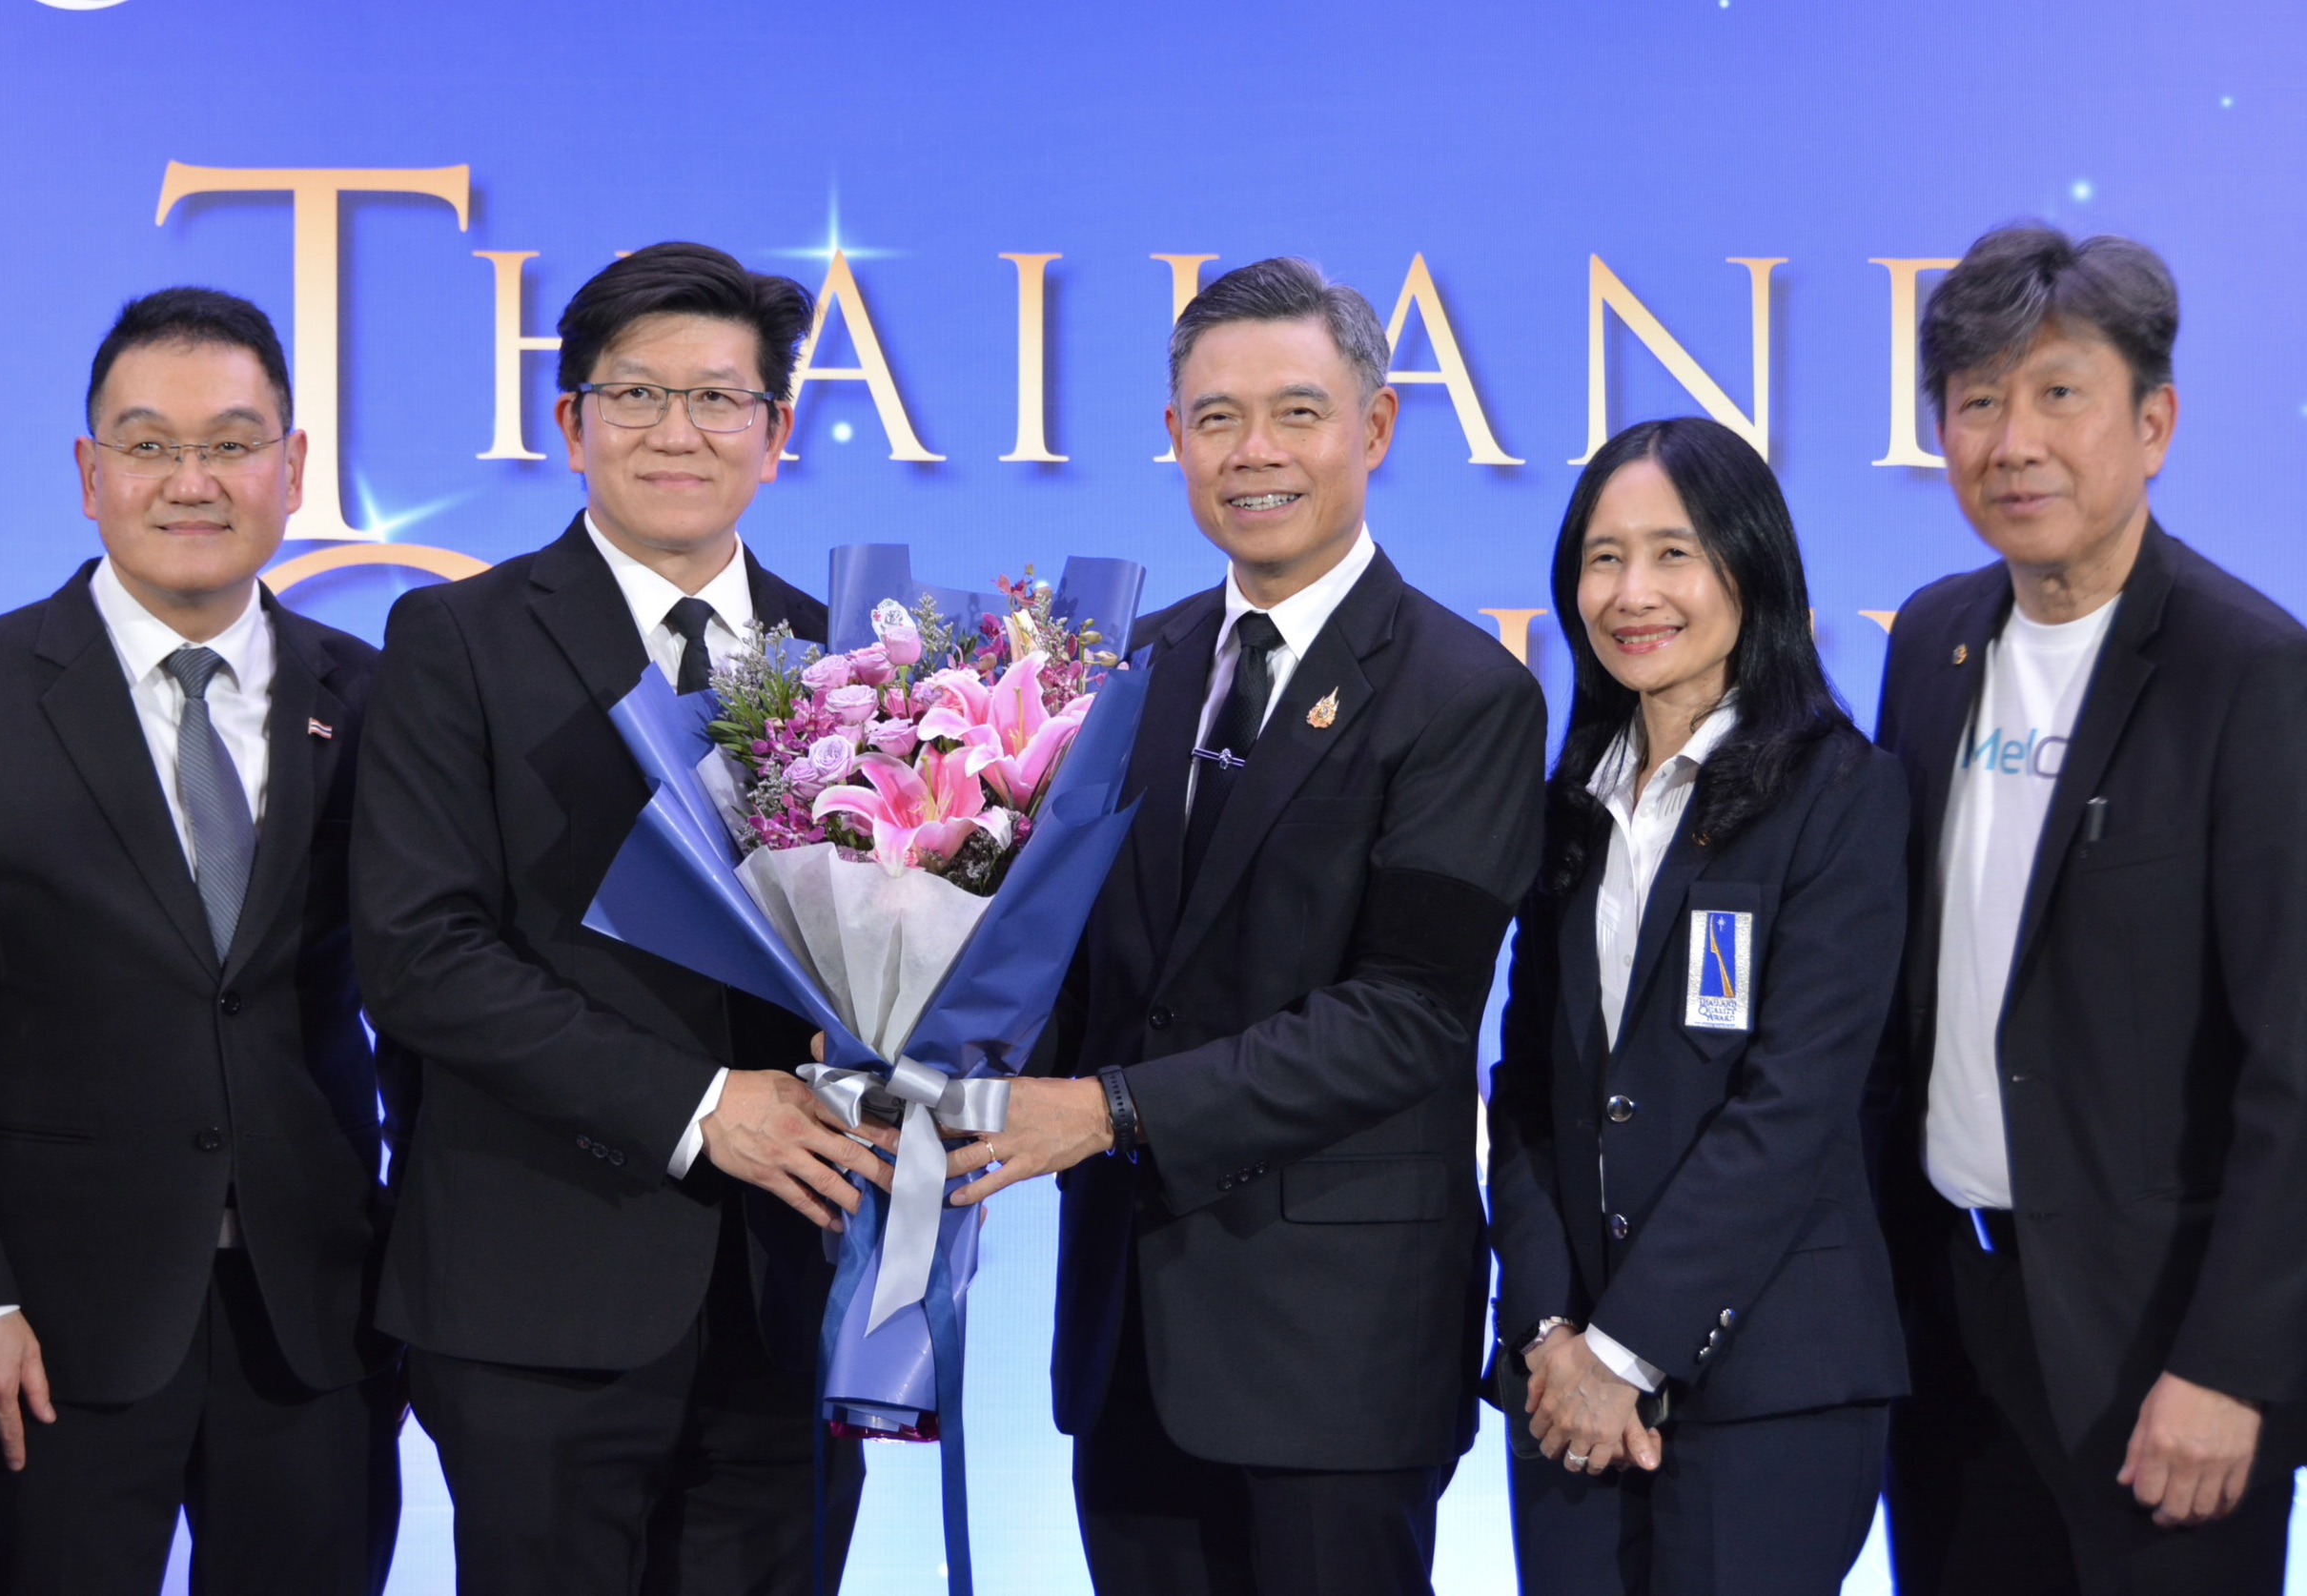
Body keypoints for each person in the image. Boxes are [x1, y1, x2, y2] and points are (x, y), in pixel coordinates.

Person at [940, 256, 1545, 1596]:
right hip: (1128, 1337)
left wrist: (1108, 1111)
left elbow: (1407, 1015)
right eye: (1216, 418)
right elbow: (1081, 971)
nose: (1252, 452)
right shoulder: (1126, 670)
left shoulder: (1464, 694)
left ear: (1374, 427)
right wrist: (920, 1043)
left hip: (1334, 1352)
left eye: (1296, 413)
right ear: (1174, 438)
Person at [350, 243, 888, 1595]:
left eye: (717, 399)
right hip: (542, 1292)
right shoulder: (455, 642)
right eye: (637, 394)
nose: (676, 432)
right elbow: (421, 955)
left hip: (792, 1291)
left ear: (776, 434)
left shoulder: (854, 658)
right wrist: (701, 1104)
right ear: (570, 421)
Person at [0, 288, 404, 1593]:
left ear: (291, 469)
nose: (193, 481)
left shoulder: (378, 696)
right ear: (91, 475)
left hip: (319, 1319)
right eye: (149, 445)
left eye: (232, 443)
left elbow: (429, 998)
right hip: (48, 1330)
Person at [1875, 224, 2307, 1596]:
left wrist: (2233, 1365)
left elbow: (2297, 1065)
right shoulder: (1930, 643)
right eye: (1976, 402)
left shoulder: (2251, 674)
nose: (2013, 443)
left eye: (2058, 394)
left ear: (2154, 423)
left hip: (2158, 1357)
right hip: (1951, 1327)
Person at [1486, 417, 1909, 1595]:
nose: (1631, 594)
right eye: (1602, 558)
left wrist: (1624, 1353)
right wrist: (1547, 1333)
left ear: (1748, 567)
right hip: (1562, 1393)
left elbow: (1792, 1107)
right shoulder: (1569, 804)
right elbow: (1523, 1090)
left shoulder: (1840, 794)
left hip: (1770, 1384)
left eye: (1672, 554)